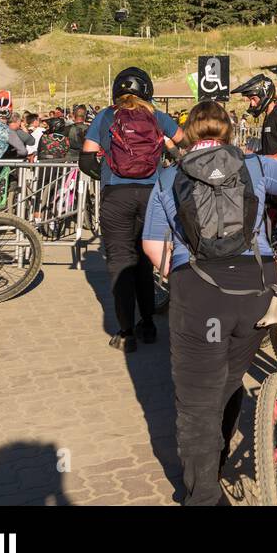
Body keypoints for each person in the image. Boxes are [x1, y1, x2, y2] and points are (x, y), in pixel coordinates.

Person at [140, 99, 277, 507]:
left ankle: (204, 495)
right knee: (230, 380)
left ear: (191, 135)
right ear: (228, 133)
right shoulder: (255, 166)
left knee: (198, 399)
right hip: (255, 288)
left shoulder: (167, 178)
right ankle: (219, 458)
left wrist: (177, 273)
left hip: (198, 293)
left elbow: (151, 244)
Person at [81, 67, 184, 351]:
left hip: (116, 196)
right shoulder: (157, 116)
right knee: (144, 260)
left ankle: (126, 333)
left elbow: (86, 158)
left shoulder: (105, 116)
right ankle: (148, 324)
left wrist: (105, 174)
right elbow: (185, 143)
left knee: (120, 263)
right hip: (151, 194)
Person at [231, 73, 277, 158]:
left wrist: (276, 157)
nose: (252, 104)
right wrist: (252, 155)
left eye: (253, 99)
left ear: (264, 96)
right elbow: (269, 151)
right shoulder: (268, 117)